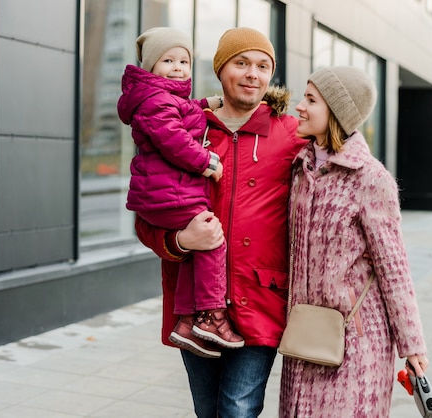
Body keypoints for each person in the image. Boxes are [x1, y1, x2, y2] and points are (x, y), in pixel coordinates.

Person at [133, 27, 307, 417]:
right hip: (193, 306)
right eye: (241, 63)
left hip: (261, 299)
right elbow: (146, 214)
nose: (252, 74)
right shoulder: (183, 129)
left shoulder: (290, 133)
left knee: (238, 408)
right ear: (220, 70)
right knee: (206, 409)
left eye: (263, 66)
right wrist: (180, 240)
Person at [279, 66, 429, 417]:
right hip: (305, 336)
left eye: (311, 100)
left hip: (355, 345)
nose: (299, 106)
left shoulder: (370, 179)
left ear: (336, 112)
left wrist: (412, 344)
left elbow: (394, 269)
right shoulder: (301, 169)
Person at [117, 27, 244, 358]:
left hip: (164, 191)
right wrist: (206, 162)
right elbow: (173, 137)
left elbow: (183, 112)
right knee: (212, 240)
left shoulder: (161, 98)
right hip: (166, 193)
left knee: (197, 253)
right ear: (149, 68)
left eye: (183, 61)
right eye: (167, 60)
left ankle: (188, 322)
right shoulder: (154, 101)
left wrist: (208, 103)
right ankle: (212, 316)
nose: (177, 67)